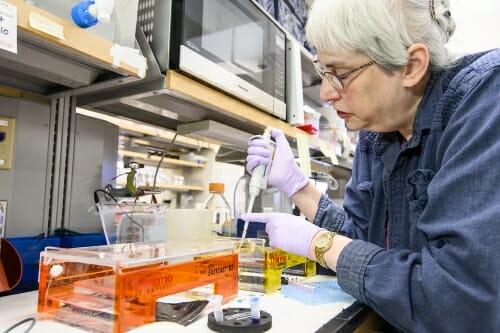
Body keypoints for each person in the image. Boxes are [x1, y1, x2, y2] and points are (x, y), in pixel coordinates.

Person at [242, 0, 500, 332]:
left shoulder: (484, 100)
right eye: (323, 71)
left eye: (340, 74)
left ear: (411, 66)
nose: (325, 93)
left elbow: (458, 300)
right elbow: (360, 243)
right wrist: (299, 188)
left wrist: (318, 243)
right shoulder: (375, 132)